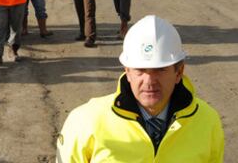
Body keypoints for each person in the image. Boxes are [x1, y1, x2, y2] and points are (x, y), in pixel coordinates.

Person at [56, 15, 224, 162]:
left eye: (160, 70)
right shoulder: (85, 121)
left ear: (179, 72)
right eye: (140, 70)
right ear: (127, 72)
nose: (149, 81)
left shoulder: (208, 121)